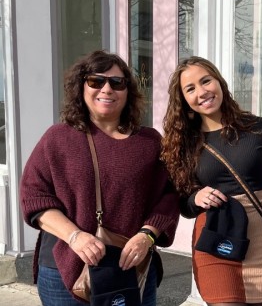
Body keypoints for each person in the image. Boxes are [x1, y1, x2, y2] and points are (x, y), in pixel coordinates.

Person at [20, 50, 180, 306]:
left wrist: (147, 236)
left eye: (117, 82)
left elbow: (168, 197)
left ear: (128, 91)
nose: (107, 89)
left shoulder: (149, 142)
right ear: (81, 87)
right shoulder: (58, 138)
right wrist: (75, 236)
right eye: (96, 81)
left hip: (131, 267)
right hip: (64, 268)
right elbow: (34, 197)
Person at [161, 56, 262, 306]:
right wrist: (196, 197)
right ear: (184, 100)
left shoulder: (260, 129)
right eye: (191, 88)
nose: (202, 92)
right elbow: (183, 204)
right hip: (215, 237)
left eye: (206, 81)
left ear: (219, 81)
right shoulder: (183, 142)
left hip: (260, 239)